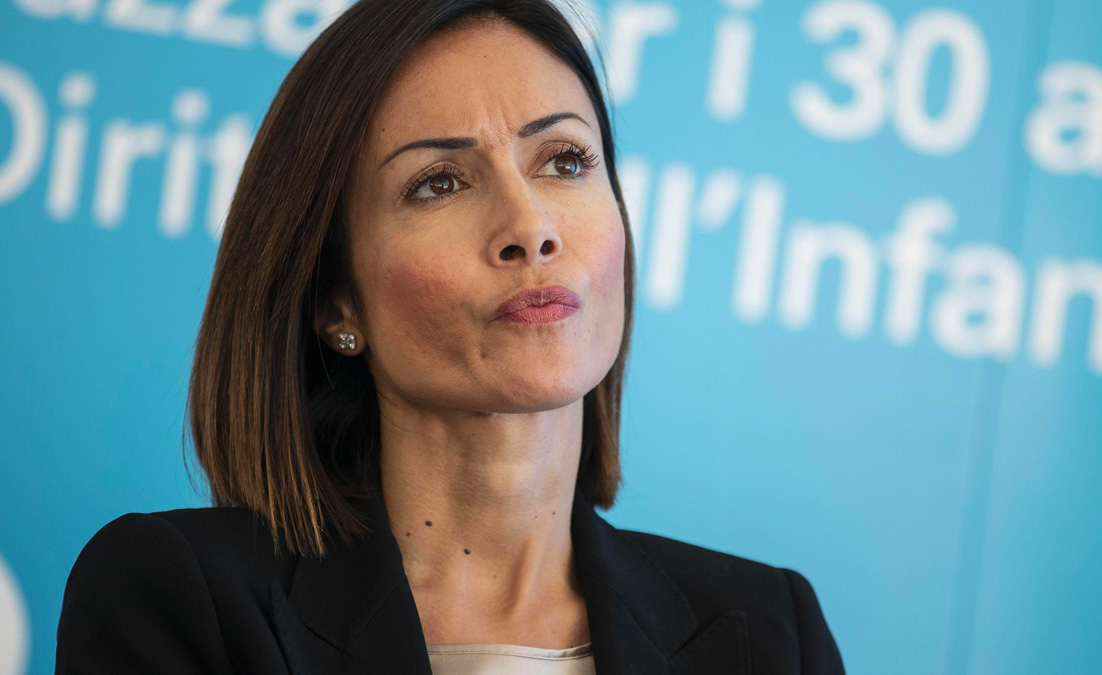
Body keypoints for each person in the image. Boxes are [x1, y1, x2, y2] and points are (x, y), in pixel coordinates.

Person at [55, 0, 845, 672]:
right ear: (335, 301)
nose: (530, 226)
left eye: (566, 161)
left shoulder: (772, 632)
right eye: (440, 183)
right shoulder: (180, 596)